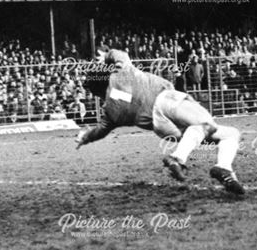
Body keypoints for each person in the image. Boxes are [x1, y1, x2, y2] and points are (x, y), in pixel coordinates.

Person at [75, 50, 245, 195]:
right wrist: (106, 56)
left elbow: (100, 131)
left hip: (160, 127)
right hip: (165, 101)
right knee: (207, 125)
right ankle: (177, 158)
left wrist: (85, 138)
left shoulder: (110, 112)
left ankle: (224, 168)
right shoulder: (122, 72)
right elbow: (120, 54)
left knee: (229, 134)